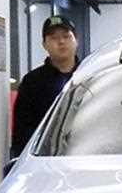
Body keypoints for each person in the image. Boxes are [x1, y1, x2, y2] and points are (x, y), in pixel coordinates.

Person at [11, 15, 80, 157]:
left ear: (76, 40)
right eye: (54, 38)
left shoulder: (89, 75)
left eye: (66, 36)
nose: (61, 42)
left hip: (85, 155)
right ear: (44, 44)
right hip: (43, 160)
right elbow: (22, 131)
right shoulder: (32, 82)